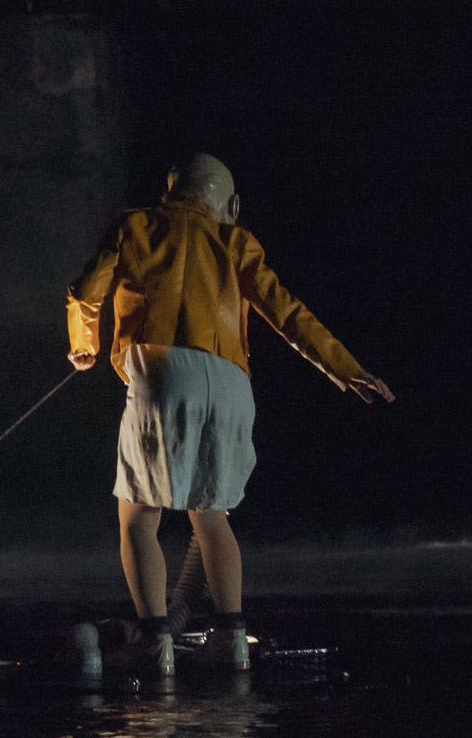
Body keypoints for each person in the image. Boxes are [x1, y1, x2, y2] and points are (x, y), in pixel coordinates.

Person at [66, 153, 392, 674]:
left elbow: (86, 292)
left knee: (139, 516)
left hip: (164, 370)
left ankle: (155, 643)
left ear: (170, 192)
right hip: (232, 382)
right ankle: (231, 640)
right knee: (212, 517)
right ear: (231, 205)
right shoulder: (236, 240)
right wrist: (344, 368)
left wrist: (83, 345)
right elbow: (287, 312)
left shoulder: (136, 226)